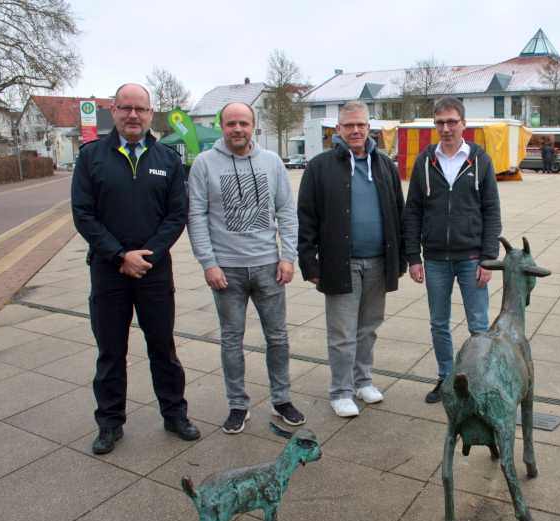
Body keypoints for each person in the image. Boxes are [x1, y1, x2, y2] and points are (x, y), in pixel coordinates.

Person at [71, 83, 200, 454]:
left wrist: (148, 256)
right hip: (108, 271)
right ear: (113, 110)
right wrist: (118, 255)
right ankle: (110, 424)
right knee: (111, 352)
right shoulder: (92, 157)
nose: (132, 115)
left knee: (163, 347)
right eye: (125, 107)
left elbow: (177, 215)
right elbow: (83, 214)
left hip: (154, 273)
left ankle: (175, 414)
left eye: (140, 109)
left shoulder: (168, 160)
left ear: (150, 113)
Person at [187, 101, 303, 434]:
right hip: (227, 271)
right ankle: (238, 404)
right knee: (231, 340)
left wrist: (288, 256)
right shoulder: (205, 164)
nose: (238, 129)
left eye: (244, 123)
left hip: (269, 266)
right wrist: (208, 263)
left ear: (254, 126)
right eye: (231, 123)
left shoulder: (271, 162)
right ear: (222, 126)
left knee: (278, 338)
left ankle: (281, 400)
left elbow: (286, 211)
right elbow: (196, 216)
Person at [297, 101, 405, 418]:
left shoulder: (385, 166)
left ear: (369, 127)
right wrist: (309, 262)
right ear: (338, 130)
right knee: (342, 333)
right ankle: (340, 391)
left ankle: (363, 381)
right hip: (339, 263)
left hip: (378, 263)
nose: (355, 131)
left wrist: (401, 259)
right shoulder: (320, 167)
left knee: (368, 328)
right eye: (348, 126)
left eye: (361, 125)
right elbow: (306, 217)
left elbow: (399, 213)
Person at [403, 96, 502, 404]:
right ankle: (446, 379)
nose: (445, 128)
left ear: (463, 124)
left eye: (451, 122)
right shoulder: (424, 161)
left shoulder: (480, 160)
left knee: (478, 325)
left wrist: (488, 259)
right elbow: (413, 211)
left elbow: (491, 211)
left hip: (471, 258)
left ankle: (478, 380)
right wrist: (413, 258)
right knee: (438, 323)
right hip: (434, 259)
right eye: (440, 123)